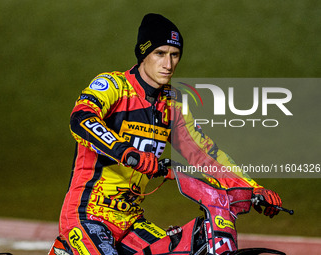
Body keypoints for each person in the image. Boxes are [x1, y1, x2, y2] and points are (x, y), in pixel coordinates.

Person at [52, 13, 282, 255]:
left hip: (130, 222)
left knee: (190, 250)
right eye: (159, 53)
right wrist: (128, 153)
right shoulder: (114, 86)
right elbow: (81, 118)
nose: (168, 64)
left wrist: (252, 189)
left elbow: (204, 155)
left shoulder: (172, 104)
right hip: (87, 216)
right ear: (143, 54)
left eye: (175, 55)